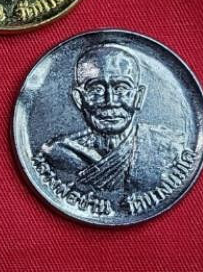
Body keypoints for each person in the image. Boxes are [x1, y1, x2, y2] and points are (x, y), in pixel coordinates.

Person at [37, 45, 184, 194]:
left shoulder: (168, 148)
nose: (110, 101)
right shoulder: (60, 152)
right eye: (96, 89)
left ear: (138, 97)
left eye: (121, 88)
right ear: (79, 98)